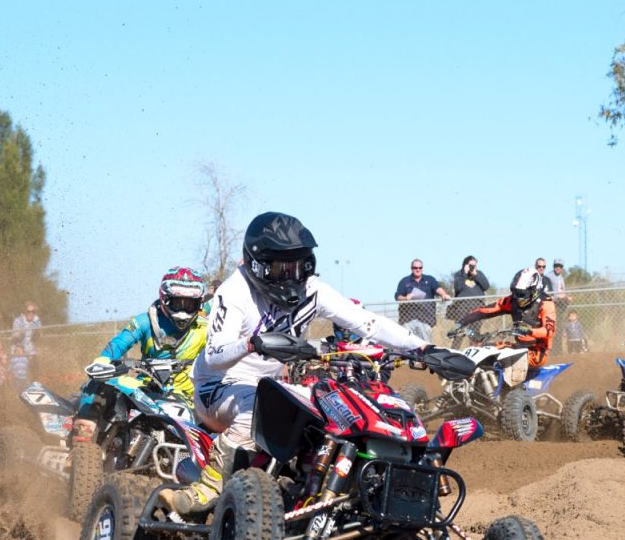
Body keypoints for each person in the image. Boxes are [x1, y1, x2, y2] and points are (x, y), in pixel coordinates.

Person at [162, 211, 432, 516]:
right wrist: (252, 343)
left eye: (298, 264)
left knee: (332, 408)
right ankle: (208, 486)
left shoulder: (312, 290)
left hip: (274, 389)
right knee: (257, 405)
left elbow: (367, 322)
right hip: (218, 387)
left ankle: (331, 494)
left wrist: (423, 347)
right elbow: (215, 356)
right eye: (281, 267)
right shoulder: (234, 291)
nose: (291, 275)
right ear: (257, 264)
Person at [72, 267, 209, 443]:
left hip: (189, 400)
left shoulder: (207, 328)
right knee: (102, 384)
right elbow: (120, 342)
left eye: (189, 303)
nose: (183, 309)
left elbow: (223, 352)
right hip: (144, 389)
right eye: (178, 302)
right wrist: (103, 360)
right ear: (165, 298)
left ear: (199, 303)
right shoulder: (145, 321)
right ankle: (82, 444)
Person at [458, 268, 556, 369]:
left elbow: (549, 331)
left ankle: (511, 384)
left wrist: (529, 331)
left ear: (534, 290)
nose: (518, 297)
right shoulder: (512, 300)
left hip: (537, 352)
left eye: (522, 294)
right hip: (519, 346)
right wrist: (462, 322)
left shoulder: (546, 303)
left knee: (504, 356)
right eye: (516, 292)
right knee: (482, 351)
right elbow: (486, 310)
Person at [395, 259, 450, 342]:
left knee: (425, 347)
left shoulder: (430, 279)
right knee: (408, 346)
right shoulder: (404, 281)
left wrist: (443, 294)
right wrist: (406, 298)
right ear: (411, 268)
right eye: (415, 267)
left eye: (420, 268)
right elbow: (397, 296)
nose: (418, 269)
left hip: (426, 320)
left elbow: (437, 288)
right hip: (408, 320)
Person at [448, 255, 490, 338]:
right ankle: (456, 350)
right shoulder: (459, 274)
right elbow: (459, 287)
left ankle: (474, 349)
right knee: (458, 333)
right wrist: (464, 274)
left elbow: (486, 286)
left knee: (475, 334)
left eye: (474, 265)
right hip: (462, 307)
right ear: (465, 265)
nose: (472, 267)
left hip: (477, 307)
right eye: (471, 265)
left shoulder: (479, 273)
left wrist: (476, 275)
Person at [547, 258, 572, 353]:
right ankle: (553, 350)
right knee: (553, 328)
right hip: (554, 304)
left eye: (560, 266)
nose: (558, 268)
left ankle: (559, 350)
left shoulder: (561, 277)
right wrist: (559, 296)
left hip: (561, 305)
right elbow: (548, 292)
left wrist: (566, 297)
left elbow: (562, 291)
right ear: (553, 266)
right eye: (556, 266)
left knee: (560, 328)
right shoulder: (549, 276)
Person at [11, 301, 41, 380]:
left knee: (35, 374)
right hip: (20, 351)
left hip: (32, 351)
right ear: (25, 312)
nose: (31, 313)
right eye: (28, 311)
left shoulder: (36, 320)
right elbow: (15, 339)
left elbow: (37, 338)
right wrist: (21, 335)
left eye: (33, 311)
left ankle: (34, 389)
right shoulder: (18, 321)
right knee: (21, 378)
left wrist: (37, 334)